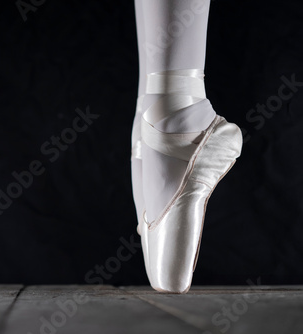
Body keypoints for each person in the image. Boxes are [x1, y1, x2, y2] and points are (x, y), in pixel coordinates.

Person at [131, 0, 242, 293]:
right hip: (160, 133)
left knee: (158, 89)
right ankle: (161, 111)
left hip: (168, 137)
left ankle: (173, 111)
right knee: (152, 90)